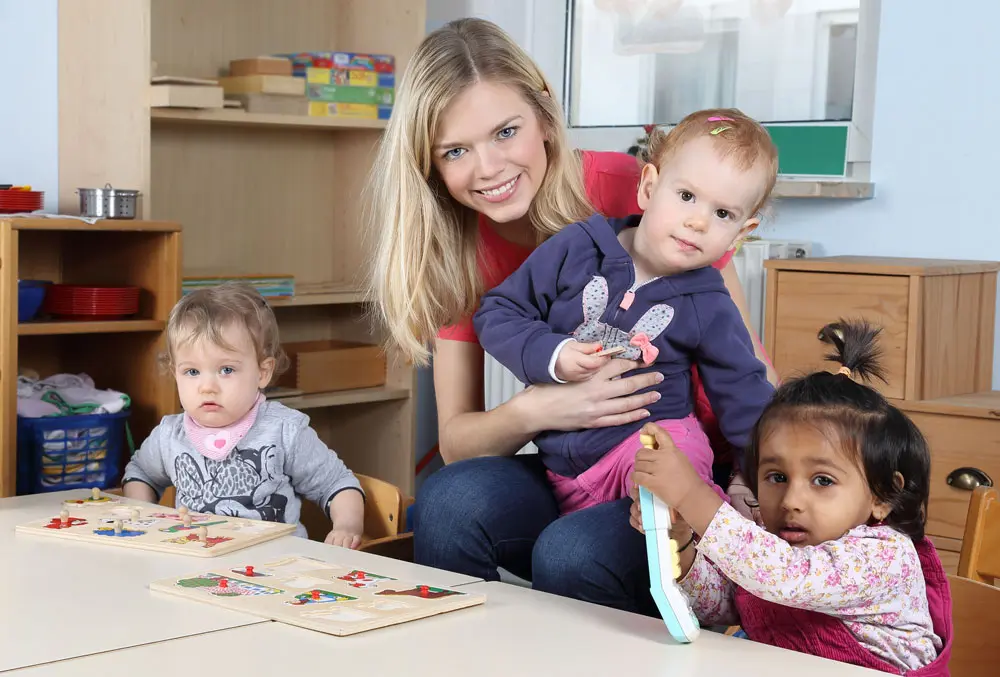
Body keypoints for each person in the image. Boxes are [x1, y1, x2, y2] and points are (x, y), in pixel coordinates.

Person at [367, 17, 774, 614]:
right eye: (455, 151)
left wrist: (763, 481)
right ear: (429, 164)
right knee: (448, 500)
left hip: (680, 469)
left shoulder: (634, 189)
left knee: (571, 554)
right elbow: (457, 441)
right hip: (572, 455)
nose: (488, 168)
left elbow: (748, 361)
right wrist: (543, 406)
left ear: (544, 115)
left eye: (506, 132)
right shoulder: (456, 248)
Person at [473, 108, 776, 516]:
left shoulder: (709, 303)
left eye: (722, 214)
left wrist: (756, 476)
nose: (698, 222)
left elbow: (746, 394)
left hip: (650, 440)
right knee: (547, 537)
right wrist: (554, 355)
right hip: (566, 465)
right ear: (649, 188)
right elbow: (499, 310)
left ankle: (708, 532)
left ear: (739, 234)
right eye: (686, 196)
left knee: (670, 467)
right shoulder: (578, 247)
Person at [632, 320, 952, 674]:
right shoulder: (772, 545)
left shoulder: (884, 556)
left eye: (823, 480)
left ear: (883, 495)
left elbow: (783, 577)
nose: (791, 500)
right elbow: (724, 605)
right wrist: (682, 544)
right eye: (777, 477)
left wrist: (693, 495)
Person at [122, 283, 365, 547]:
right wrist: (144, 516)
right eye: (192, 372)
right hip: (195, 567)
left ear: (263, 372)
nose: (207, 387)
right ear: (175, 372)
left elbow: (336, 483)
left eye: (226, 369)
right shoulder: (170, 435)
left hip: (275, 568)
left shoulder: (284, 430)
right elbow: (140, 474)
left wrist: (347, 525)